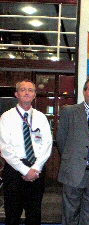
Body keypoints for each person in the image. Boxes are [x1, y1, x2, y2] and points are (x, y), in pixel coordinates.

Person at [56, 76, 89, 225]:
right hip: (74, 171)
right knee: (70, 213)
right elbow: (61, 140)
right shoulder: (70, 111)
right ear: (84, 92)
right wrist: (73, 160)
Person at [0, 79, 52, 225]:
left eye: (30, 90)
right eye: (23, 90)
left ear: (35, 95)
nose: (27, 93)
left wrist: (35, 168)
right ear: (16, 94)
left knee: (34, 214)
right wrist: (24, 170)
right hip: (14, 170)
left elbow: (47, 144)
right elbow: (5, 148)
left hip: (37, 170)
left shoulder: (41, 117)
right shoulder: (6, 117)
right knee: (12, 214)